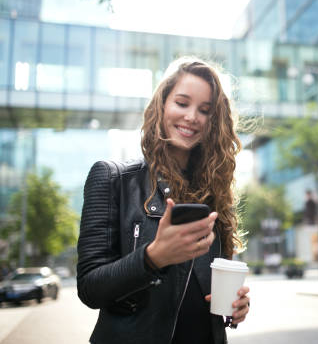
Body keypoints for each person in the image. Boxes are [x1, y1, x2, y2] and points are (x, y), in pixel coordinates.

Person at [77, 57, 250, 344]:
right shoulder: (113, 179)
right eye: (182, 103)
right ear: (162, 105)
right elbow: (90, 289)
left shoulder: (214, 194)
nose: (192, 117)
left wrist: (235, 308)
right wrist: (154, 256)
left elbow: (209, 292)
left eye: (205, 110)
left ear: (214, 121)